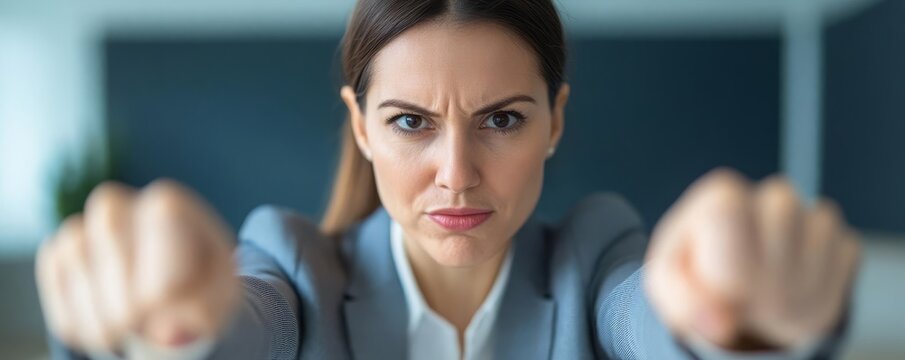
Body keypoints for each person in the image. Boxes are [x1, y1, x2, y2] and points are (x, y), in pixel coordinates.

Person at [36, 0, 861, 359]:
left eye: (502, 119)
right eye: (409, 123)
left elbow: (647, 319)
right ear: (360, 125)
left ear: (555, 120)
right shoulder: (290, 265)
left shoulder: (596, 253)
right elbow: (243, 328)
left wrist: (726, 320)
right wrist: (164, 331)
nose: (457, 175)